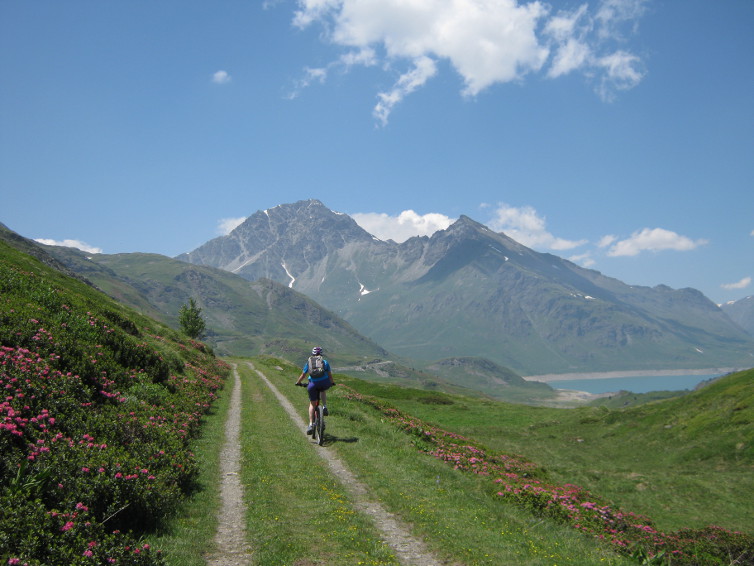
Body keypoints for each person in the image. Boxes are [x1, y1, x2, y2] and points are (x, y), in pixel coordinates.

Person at [295, 346, 334, 435]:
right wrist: (332, 383)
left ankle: (311, 424)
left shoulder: (309, 363)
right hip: (324, 383)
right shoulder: (325, 362)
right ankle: (324, 406)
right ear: (321, 354)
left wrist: (298, 382)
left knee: (312, 404)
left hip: (312, 384)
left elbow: (303, 375)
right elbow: (330, 375)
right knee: (323, 390)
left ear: (312, 354)